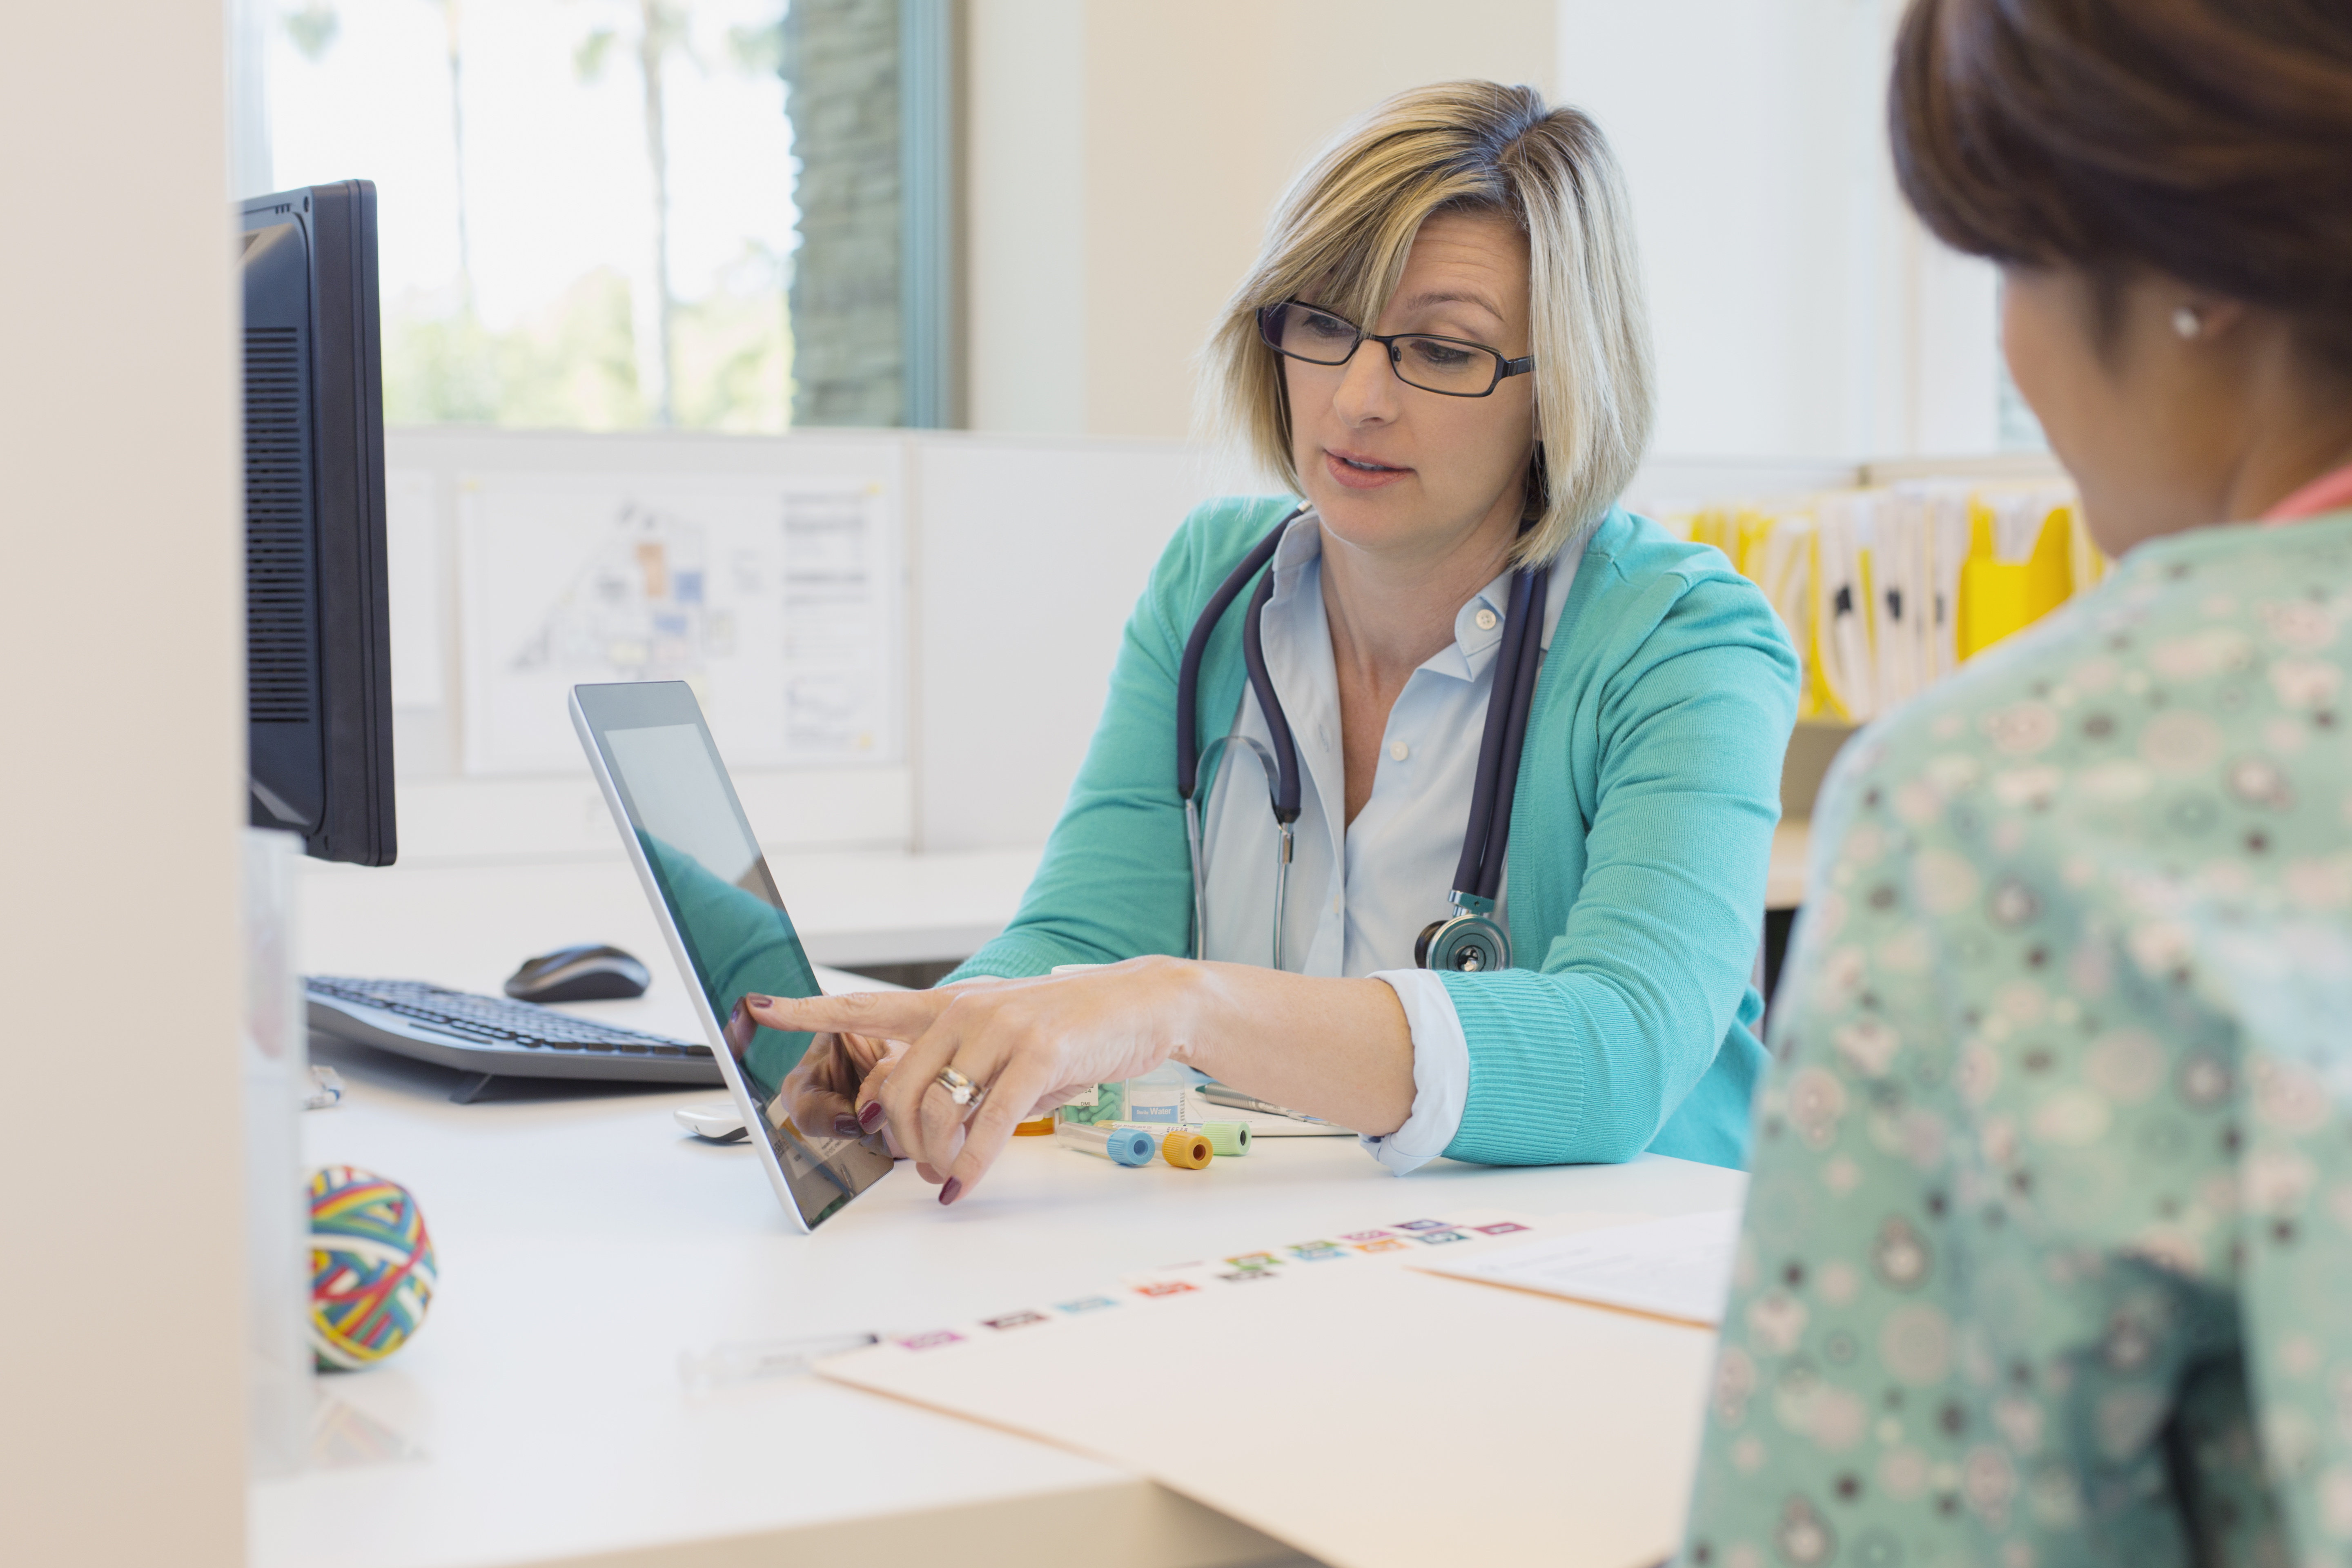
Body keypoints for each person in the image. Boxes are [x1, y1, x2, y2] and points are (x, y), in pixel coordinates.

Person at [755, 80, 1799, 1205]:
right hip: (1310, 1271)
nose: (1355, 398)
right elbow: (1086, 934)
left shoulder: (1686, 643)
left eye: (1443, 351)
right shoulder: (1215, 588)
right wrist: (943, 1038)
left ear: (1564, 389)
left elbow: (1619, 1052)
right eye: (1324, 323)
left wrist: (1184, 1005)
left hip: (1635, 1289)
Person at [1679, 1, 2352, 1563]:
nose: (2013, 353)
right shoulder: (1223, 591)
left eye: (2011, 261)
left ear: (2198, 273)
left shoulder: (2007, 797)